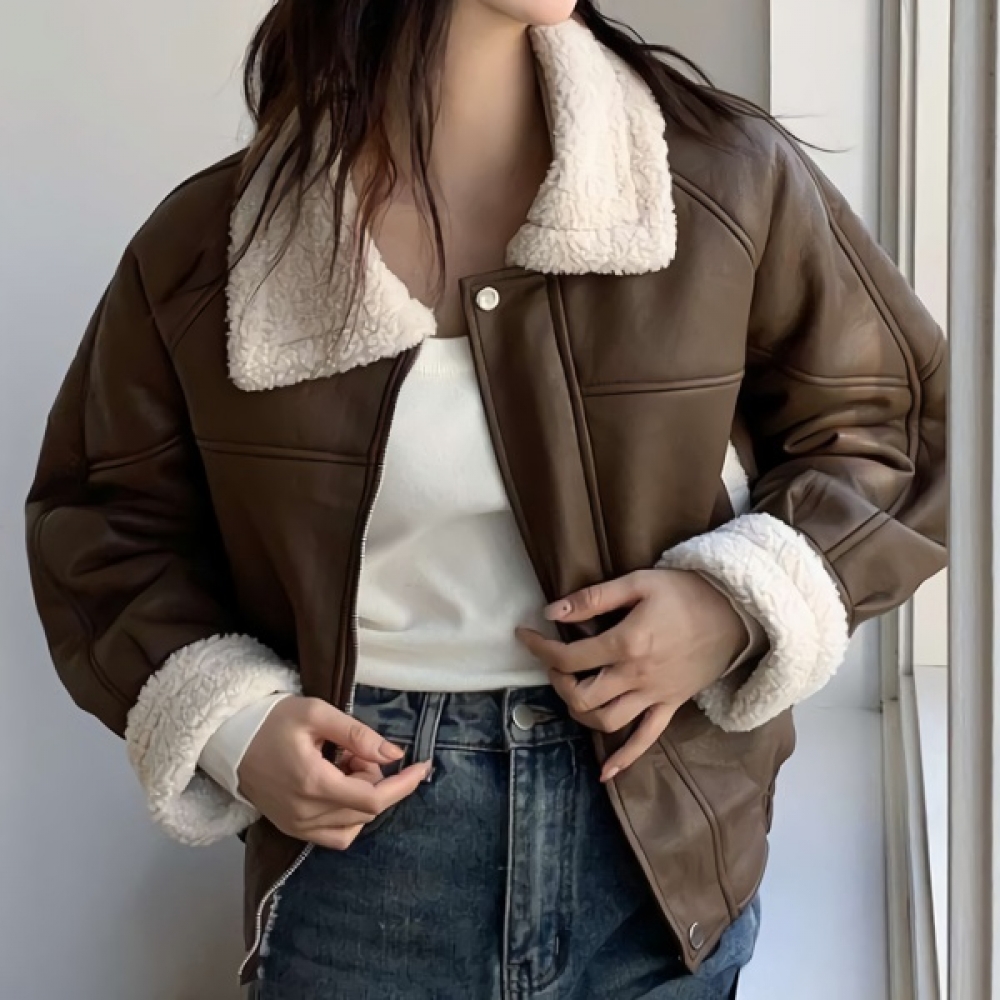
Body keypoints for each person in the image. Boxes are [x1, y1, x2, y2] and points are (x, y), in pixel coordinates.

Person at [24, 2, 947, 998]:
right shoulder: (210, 249)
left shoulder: (725, 183)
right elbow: (103, 526)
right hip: (360, 863)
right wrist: (235, 728)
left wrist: (730, 606)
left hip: (659, 854)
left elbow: (895, 428)